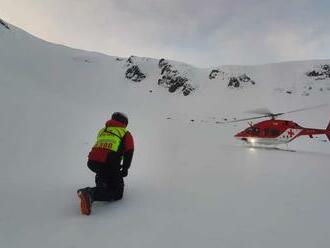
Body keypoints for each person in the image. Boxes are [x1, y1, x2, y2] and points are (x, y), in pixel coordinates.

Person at [77, 112, 134, 215]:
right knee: (117, 193)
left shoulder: (103, 131)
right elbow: (129, 153)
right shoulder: (125, 133)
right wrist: (125, 169)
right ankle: (91, 194)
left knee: (104, 175)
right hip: (109, 164)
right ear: (124, 122)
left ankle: (99, 186)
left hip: (92, 162)